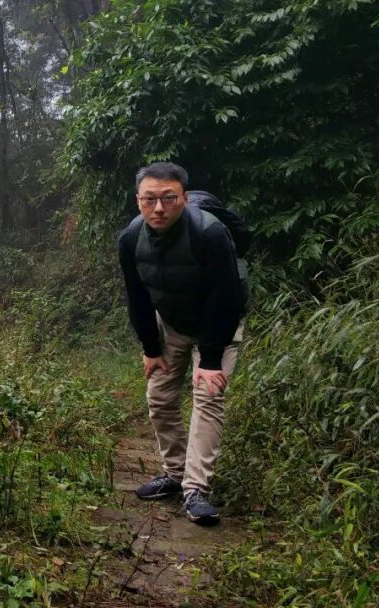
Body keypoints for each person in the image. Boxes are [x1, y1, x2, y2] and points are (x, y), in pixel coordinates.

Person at [117, 162, 246, 526]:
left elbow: (227, 298)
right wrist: (150, 348)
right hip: (171, 321)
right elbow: (137, 297)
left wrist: (210, 359)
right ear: (138, 200)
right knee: (159, 395)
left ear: (184, 198)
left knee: (208, 395)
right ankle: (174, 474)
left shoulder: (209, 233)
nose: (159, 208)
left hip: (219, 323)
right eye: (150, 199)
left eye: (169, 198)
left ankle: (196, 489)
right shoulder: (131, 238)